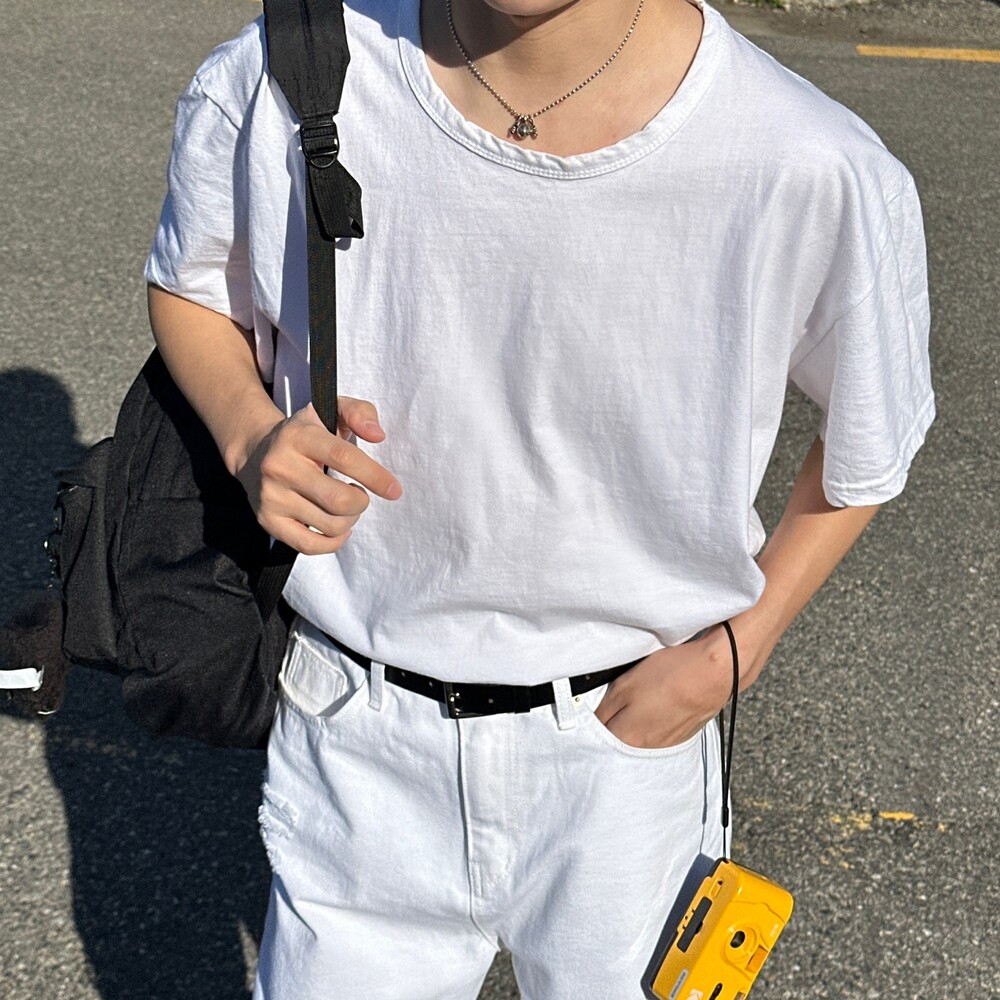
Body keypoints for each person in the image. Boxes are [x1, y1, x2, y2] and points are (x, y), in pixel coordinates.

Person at [144, 0, 934, 994]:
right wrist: (249, 433)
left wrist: (742, 644)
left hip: (627, 749)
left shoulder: (807, 160)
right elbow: (193, 282)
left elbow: (874, 431)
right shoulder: (287, 73)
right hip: (356, 728)